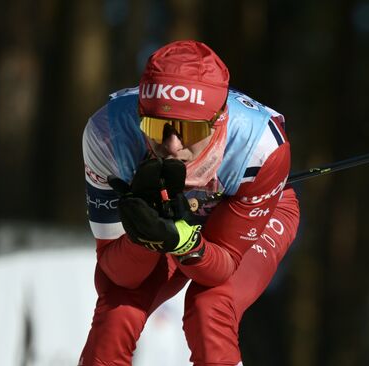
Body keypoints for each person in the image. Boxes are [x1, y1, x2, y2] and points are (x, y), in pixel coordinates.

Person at [79, 40, 300, 366]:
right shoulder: (108, 134)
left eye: (190, 130)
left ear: (218, 121)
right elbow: (116, 274)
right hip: (178, 220)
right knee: (118, 307)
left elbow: (220, 268)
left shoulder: (261, 148)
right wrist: (146, 236)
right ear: (141, 115)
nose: (172, 146)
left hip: (251, 213)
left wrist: (185, 243)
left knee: (210, 306)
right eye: (157, 127)